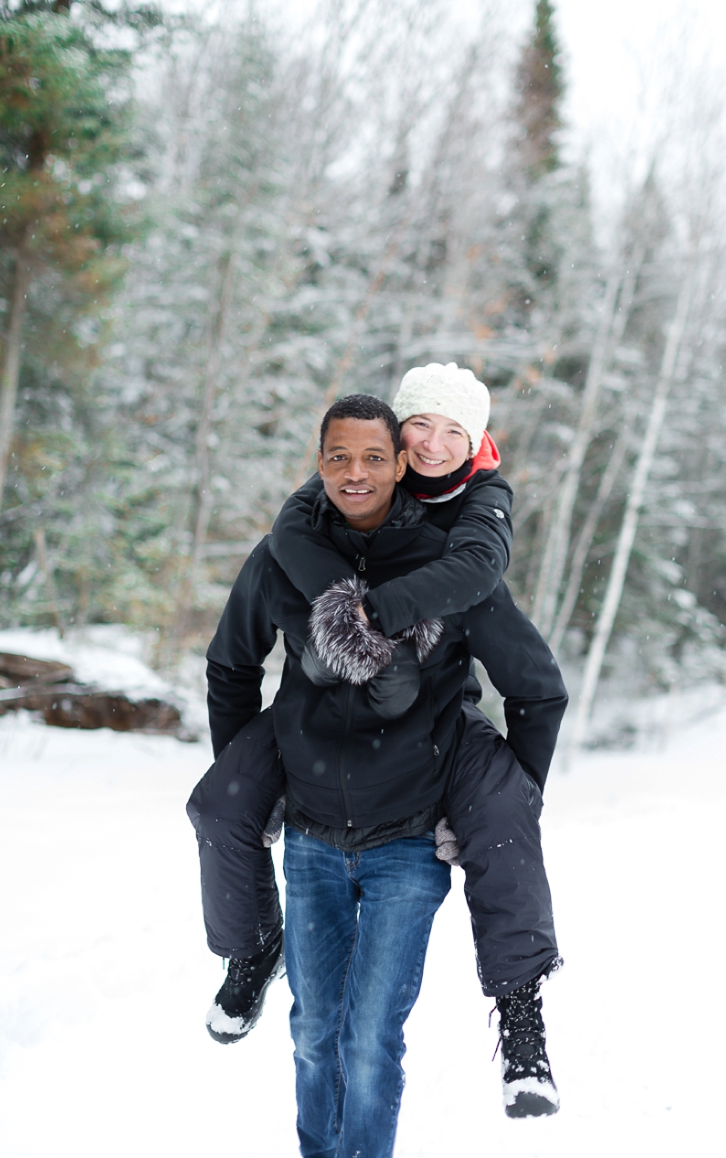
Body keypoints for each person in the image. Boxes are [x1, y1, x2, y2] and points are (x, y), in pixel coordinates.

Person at [189, 384, 566, 1148]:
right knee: (313, 1036)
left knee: (369, 1042)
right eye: (338, 457)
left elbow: (536, 687)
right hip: (314, 841)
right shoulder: (285, 553)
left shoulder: (451, 565)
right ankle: (252, 954)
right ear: (319, 463)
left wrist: (507, 796)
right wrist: (252, 776)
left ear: (400, 465)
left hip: (406, 843)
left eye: (375, 456)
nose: (356, 472)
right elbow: (231, 668)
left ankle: (521, 1020)